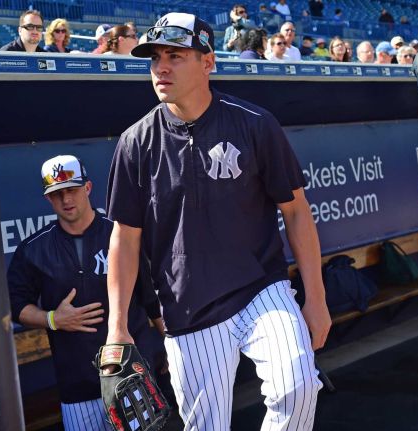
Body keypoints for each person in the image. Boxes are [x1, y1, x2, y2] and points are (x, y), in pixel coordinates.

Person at [105, 12, 330, 430]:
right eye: (154, 58)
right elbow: (124, 239)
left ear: (208, 62)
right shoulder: (135, 143)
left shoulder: (254, 123)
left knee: (298, 386)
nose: (161, 67)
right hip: (188, 307)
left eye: (175, 55)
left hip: (260, 288)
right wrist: (117, 327)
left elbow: (296, 210)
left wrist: (315, 299)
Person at [7, 155, 164, 431]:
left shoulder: (120, 236)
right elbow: (15, 305)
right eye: (57, 194)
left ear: (88, 188)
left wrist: (172, 350)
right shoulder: (34, 250)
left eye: (72, 190)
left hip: (132, 374)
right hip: (78, 386)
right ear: (48, 199)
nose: (66, 200)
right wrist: (53, 319)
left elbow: (151, 299)